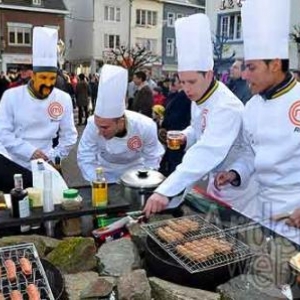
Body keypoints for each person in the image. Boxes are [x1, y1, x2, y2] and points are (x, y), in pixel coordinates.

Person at [213, 0, 300, 244]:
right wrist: (234, 172)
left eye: (251, 67)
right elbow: (253, 154)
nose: (244, 75)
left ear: (274, 65)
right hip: (264, 215)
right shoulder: (251, 107)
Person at [143, 14, 244, 217]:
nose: (186, 89)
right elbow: (199, 129)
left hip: (237, 187)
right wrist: (186, 136)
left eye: (191, 82)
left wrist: (166, 189)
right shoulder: (201, 96)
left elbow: (207, 150)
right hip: (212, 182)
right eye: (182, 82)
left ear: (208, 74)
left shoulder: (226, 106)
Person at [0, 27, 78, 192]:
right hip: (13, 161)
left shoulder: (62, 99)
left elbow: (69, 136)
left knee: (56, 205)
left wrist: (52, 155)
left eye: (51, 78)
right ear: (33, 76)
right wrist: (30, 152)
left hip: (46, 161)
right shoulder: (11, 97)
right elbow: (4, 134)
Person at [77, 64, 164, 183]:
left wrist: (144, 182)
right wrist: (97, 180)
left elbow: (153, 157)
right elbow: (85, 156)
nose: (100, 132)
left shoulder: (145, 126)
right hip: (104, 171)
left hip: (136, 172)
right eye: (98, 126)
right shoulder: (93, 124)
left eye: (105, 127)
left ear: (120, 121)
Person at [158, 74, 191, 176]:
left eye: (175, 81)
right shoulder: (177, 95)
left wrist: (164, 122)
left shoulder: (184, 97)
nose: (173, 83)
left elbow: (176, 116)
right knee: (170, 158)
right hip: (172, 132)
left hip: (177, 133)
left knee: (175, 160)